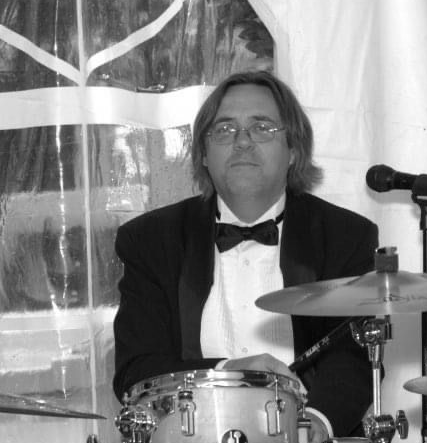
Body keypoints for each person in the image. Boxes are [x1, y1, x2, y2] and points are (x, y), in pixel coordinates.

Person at [113, 71, 378, 442]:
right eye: (224, 129)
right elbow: (136, 368)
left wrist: (315, 424)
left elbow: (354, 356)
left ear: (294, 150)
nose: (242, 141)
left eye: (262, 128)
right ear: (203, 154)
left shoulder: (344, 236)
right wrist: (230, 373)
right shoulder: (151, 240)